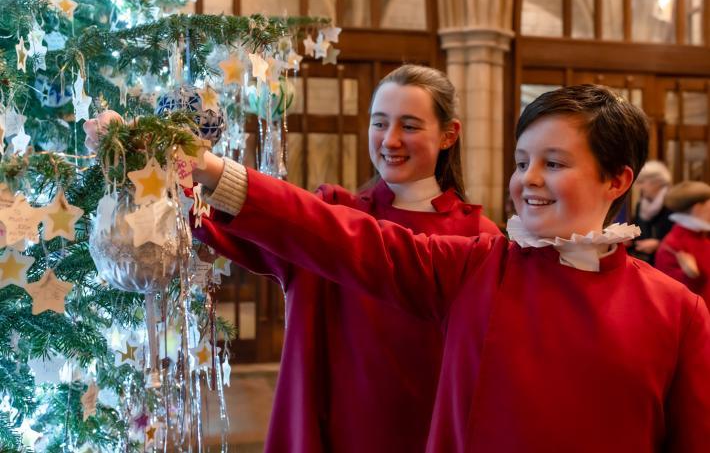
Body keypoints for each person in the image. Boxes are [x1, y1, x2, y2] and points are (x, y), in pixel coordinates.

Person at [193, 84, 710, 452]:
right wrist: (214, 173)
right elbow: (342, 237)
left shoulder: (678, 312)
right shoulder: (477, 267)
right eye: (520, 160)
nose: (528, 179)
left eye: (552, 164)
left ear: (617, 180)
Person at [192, 65, 501, 453]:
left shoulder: (480, 239)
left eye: (409, 126)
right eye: (379, 123)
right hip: (333, 426)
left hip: (426, 429)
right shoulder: (336, 211)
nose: (390, 140)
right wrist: (173, 179)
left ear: (448, 134)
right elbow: (259, 229)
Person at [655, 180, 710, 306]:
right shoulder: (673, 245)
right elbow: (671, 295)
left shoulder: (702, 238)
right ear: (698, 208)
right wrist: (692, 277)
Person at [629, 160, 673, 264]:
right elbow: (638, 229)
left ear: (657, 182)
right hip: (645, 260)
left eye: (642, 182)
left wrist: (659, 244)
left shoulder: (673, 204)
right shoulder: (641, 204)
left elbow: (682, 239)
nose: (639, 187)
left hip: (665, 262)